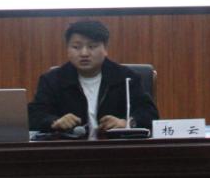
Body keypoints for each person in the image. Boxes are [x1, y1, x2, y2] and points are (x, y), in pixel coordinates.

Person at [28, 20, 158, 137]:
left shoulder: (126, 78)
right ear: (67, 49)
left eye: (92, 46)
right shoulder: (52, 80)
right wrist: (55, 122)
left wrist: (126, 123)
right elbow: (33, 116)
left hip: (115, 149)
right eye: (76, 47)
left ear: (105, 49)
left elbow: (150, 114)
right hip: (68, 150)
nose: (84, 53)